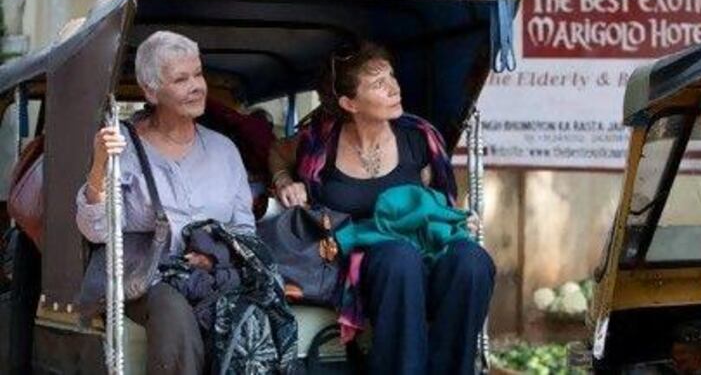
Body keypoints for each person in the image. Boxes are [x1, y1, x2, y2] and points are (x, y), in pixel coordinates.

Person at [291, 41, 495, 375]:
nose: (393, 87)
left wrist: (454, 222)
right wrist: (287, 179)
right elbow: (277, 152)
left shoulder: (418, 136)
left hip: (423, 250)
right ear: (349, 102)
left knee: (472, 261)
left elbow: (439, 203)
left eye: (392, 76)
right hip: (360, 256)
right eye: (377, 83)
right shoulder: (321, 141)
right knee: (399, 256)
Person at [75, 30, 255, 375]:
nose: (197, 86)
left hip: (213, 275)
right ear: (151, 91)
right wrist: (99, 165)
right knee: (172, 309)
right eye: (181, 79)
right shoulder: (121, 147)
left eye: (198, 74)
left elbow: (244, 229)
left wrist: (213, 256)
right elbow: (96, 231)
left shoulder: (224, 150)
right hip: (146, 280)